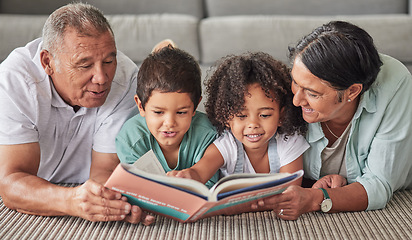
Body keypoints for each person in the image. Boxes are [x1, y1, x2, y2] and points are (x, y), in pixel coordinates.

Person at [0, 3, 154, 225]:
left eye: (109, 61)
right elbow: (11, 183)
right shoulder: (14, 81)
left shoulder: (126, 78)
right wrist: (71, 200)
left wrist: (114, 201)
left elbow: (105, 169)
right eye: (84, 65)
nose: (102, 77)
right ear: (47, 62)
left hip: (86, 181)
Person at [257, 21, 412, 220]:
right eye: (295, 82)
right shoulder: (296, 89)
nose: (296, 100)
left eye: (313, 94)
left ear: (352, 91)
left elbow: (379, 184)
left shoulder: (394, 84)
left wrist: (315, 198)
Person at [168, 52, 309, 188]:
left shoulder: (290, 143)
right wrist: (187, 176)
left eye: (265, 115)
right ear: (226, 117)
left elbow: (289, 190)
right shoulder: (226, 145)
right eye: (242, 116)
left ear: (281, 116)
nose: (253, 124)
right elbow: (199, 172)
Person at [115, 46, 220, 188]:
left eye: (181, 112)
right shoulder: (131, 139)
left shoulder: (208, 134)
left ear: (195, 107)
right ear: (141, 106)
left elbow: (210, 186)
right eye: (158, 112)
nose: (170, 123)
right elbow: (137, 188)